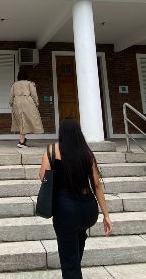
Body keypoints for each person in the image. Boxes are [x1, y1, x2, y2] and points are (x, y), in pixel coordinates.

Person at [39, 118, 113, 278]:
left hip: (65, 211)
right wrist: (106, 214)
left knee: (69, 262)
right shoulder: (86, 153)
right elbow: (97, 185)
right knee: (77, 242)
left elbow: (43, 177)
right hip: (88, 210)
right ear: (78, 133)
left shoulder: (51, 151)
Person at [9, 69, 43, 148]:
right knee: (30, 120)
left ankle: (22, 141)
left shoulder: (14, 84)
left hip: (16, 102)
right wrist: (36, 103)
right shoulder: (30, 83)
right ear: (26, 76)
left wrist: (11, 104)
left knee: (21, 121)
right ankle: (21, 142)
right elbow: (34, 94)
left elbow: (11, 96)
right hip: (28, 101)